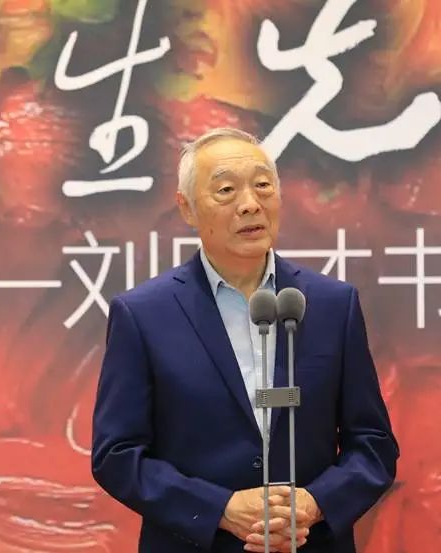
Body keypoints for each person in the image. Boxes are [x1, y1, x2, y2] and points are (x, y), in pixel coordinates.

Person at [91, 127, 398, 553]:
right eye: (226, 190)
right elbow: (117, 455)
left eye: (263, 186)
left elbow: (373, 444)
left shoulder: (332, 304)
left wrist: (315, 504)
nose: (250, 203)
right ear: (187, 208)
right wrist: (219, 508)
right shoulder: (143, 315)